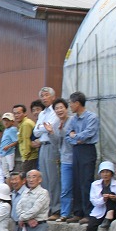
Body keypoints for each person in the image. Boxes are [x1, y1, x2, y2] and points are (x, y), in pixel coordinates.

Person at [78, 162, 116, 231]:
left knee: (113, 195)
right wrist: (103, 199)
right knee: (91, 226)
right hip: (99, 211)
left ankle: (109, 218)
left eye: (108, 172)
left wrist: (115, 198)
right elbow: (94, 201)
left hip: (114, 211)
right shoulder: (95, 184)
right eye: (103, 172)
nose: (105, 174)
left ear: (111, 173)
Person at [66, 91, 99, 220]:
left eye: (71, 103)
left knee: (86, 181)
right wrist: (76, 138)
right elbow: (68, 136)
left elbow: (89, 133)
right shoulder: (73, 119)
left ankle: (88, 213)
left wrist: (76, 136)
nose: (70, 106)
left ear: (77, 103)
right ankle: (77, 212)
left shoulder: (92, 117)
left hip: (88, 150)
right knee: (76, 181)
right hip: (76, 150)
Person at [32, 87, 61, 219]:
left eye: (46, 95)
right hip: (42, 146)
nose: (44, 98)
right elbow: (35, 131)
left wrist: (41, 128)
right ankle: (47, 208)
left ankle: (56, 208)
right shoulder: (43, 113)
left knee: (53, 178)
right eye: (42, 96)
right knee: (44, 179)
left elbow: (51, 126)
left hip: (51, 145)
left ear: (53, 97)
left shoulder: (56, 111)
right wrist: (43, 127)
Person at [46, 98, 74, 222]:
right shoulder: (56, 123)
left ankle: (78, 212)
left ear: (66, 108)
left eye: (61, 107)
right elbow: (57, 143)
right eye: (56, 108)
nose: (59, 110)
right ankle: (65, 213)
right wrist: (51, 133)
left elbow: (72, 138)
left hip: (76, 157)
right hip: (65, 158)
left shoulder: (73, 120)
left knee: (78, 186)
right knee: (65, 187)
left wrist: (62, 131)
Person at [13, 104, 38, 173]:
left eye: (18, 113)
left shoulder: (25, 124)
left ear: (25, 114)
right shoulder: (22, 124)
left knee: (26, 179)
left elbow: (26, 142)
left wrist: (25, 158)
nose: (16, 115)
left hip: (30, 157)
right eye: (14, 113)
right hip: (29, 157)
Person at [0, 112, 18, 178]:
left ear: (12, 122)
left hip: (8, 153)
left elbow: (16, 141)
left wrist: (8, 146)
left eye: (8, 120)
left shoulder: (13, 129)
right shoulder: (6, 130)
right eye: (4, 120)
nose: (6, 122)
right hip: (3, 153)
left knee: (8, 172)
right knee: (4, 172)